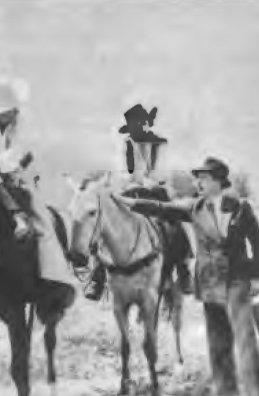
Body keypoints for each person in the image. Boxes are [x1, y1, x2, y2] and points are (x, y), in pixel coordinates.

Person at [116, 156, 259, 396]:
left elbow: (258, 243)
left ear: (218, 181)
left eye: (204, 178)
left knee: (245, 339)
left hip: (237, 279)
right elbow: (160, 207)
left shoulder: (241, 208)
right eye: (198, 178)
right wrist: (128, 203)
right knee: (218, 341)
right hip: (210, 282)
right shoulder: (194, 207)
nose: (198, 182)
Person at [0, 77, 76, 290]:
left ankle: (51, 273)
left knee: (41, 214)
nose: (14, 112)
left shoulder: (12, 125)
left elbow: (15, 153)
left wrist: (15, 164)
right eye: (10, 109)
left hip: (8, 173)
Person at [83, 104, 193, 300]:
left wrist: (146, 181)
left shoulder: (158, 144)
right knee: (105, 224)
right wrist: (124, 183)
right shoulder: (127, 145)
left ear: (143, 124)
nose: (133, 128)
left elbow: (160, 172)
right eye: (131, 125)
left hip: (154, 191)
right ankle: (98, 275)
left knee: (173, 223)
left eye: (136, 124)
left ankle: (183, 269)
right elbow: (121, 172)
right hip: (129, 191)